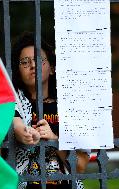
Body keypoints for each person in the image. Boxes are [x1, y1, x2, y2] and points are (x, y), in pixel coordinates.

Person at [11, 32, 90, 189]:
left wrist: (53, 140)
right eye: (25, 62)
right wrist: (23, 131)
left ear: (52, 69)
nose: (33, 65)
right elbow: (14, 120)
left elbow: (80, 167)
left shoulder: (69, 108)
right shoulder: (13, 103)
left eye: (39, 60)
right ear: (19, 72)